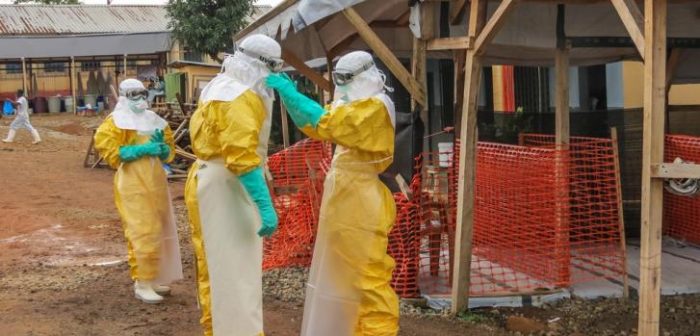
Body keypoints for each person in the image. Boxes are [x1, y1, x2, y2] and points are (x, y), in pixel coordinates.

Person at [266, 51, 399, 336]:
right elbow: (318, 124)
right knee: (344, 276)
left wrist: (291, 93)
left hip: (360, 201)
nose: (340, 85)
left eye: (345, 79)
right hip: (345, 199)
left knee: (368, 276)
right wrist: (292, 98)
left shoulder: (374, 107)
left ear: (363, 77)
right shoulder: (357, 104)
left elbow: (326, 123)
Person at [184, 34, 282, 336]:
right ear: (263, 65)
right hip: (228, 185)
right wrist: (264, 204)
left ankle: (217, 329)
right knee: (237, 274)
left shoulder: (221, 85)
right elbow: (240, 154)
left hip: (211, 179)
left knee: (217, 269)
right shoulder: (240, 96)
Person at [94, 78, 183, 304]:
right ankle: (142, 282)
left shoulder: (155, 120)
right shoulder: (116, 122)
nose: (141, 99)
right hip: (133, 182)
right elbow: (109, 149)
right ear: (124, 96)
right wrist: (141, 149)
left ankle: (153, 278)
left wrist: (162, 150)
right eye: (135, 94)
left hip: (156, 181)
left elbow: (168, 150)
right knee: (143, 230)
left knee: (160, 229)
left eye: (143, 93)